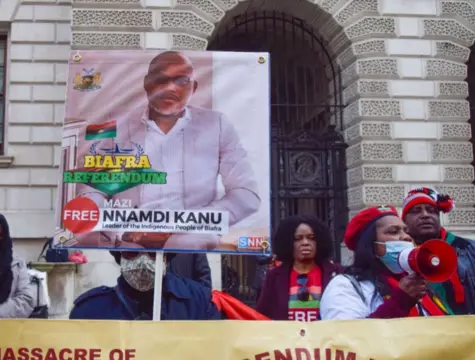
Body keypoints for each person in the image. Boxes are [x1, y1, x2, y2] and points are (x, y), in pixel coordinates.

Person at [74, 50, 261, 250]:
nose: (170, 88)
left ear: (194, 87)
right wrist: (122, 230)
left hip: (191, 237)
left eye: (181, 81)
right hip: (129, 241)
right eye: (161, 79)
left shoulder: (216, 125)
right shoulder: (117, 128)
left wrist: (186, 224)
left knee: (186, 245)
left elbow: (246, 194)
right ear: (147, 83)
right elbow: (91, 189)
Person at [320, 205, 453, 320]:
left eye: (406, 231)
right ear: (370, 243)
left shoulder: (417, 285)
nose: (406, 237)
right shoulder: (346, 286)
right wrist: (401, 301)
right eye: (393, 232)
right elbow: (347, 339)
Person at [70, 251, 221, 320]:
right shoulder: (89, 311)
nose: (142, 261)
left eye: (152, 253)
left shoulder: (198, 303)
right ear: (120, 257)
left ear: (165, 258)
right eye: (132, 252)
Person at [401, 187, 475, 314]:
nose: (425, 215)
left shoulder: (470, 248)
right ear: (404, 221)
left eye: (431, 210)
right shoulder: (399, 256)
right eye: (416, 211)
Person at [255, 216, 342, 321]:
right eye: (298, 238)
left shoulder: (337, 274)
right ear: (289, 243)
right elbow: (261, 315)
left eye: (311, 238)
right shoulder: (274, 276)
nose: (305, 243)